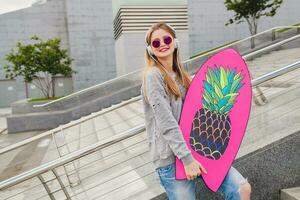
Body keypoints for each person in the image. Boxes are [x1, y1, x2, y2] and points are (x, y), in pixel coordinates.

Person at [140, 22, 251, 200]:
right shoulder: (153, 76)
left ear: (175, 42)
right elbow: (166, 123)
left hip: (199, 151)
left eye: (166, 39)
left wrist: (237, 66)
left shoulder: (180, 75)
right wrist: (187, 159)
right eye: (155, 42)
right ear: (150, 49)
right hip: (172, 159)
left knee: (241, 189)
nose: (162, 44)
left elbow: (200, 103)